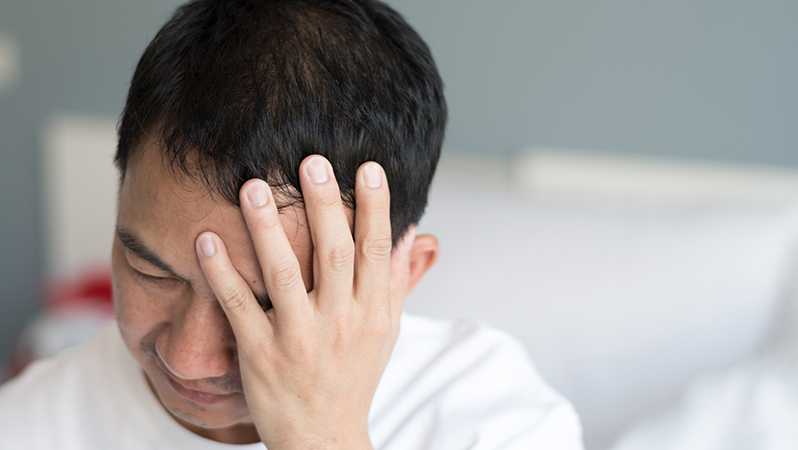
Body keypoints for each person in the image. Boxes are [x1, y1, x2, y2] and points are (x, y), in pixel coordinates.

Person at [0, 0, 583, 448]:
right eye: (151, 271)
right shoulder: (32, 422)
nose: (188, 357)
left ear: (401, 276)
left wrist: (320, 432)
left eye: (269, 303)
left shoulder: (494, 418)